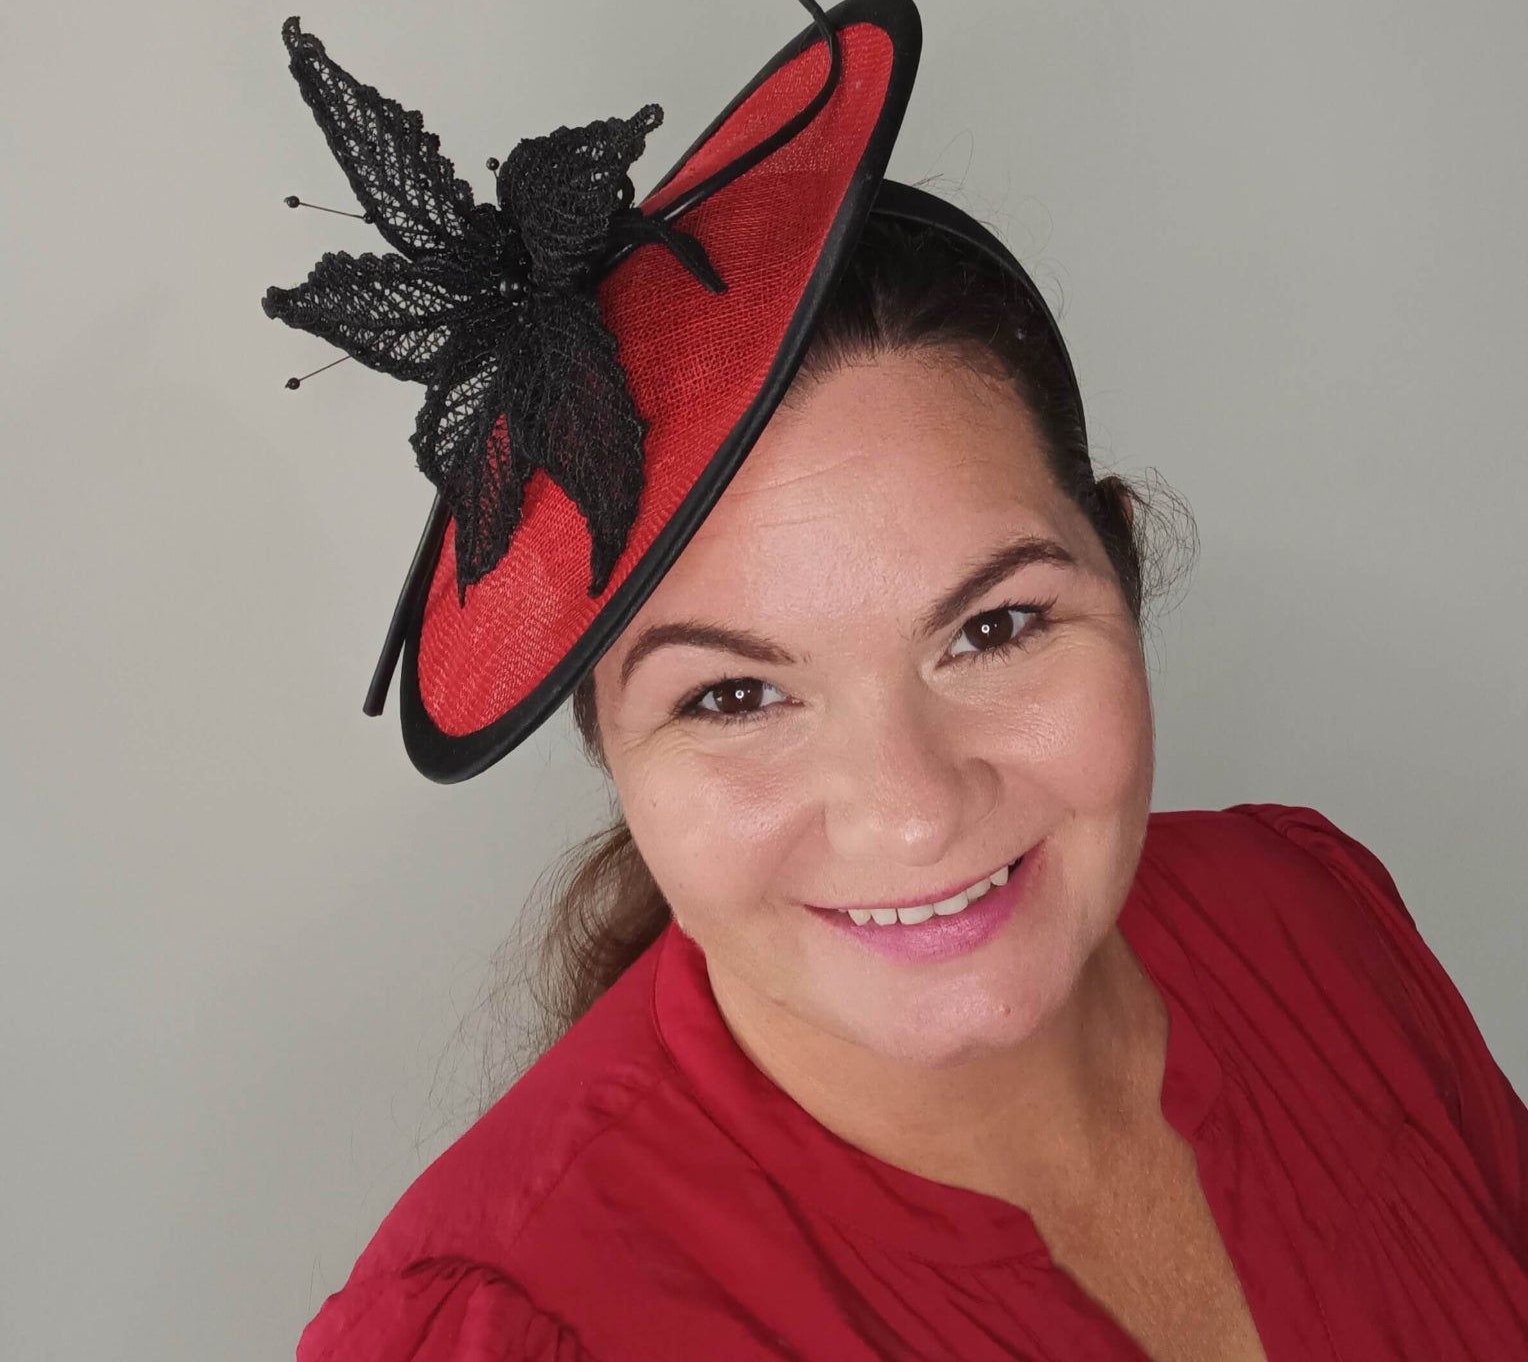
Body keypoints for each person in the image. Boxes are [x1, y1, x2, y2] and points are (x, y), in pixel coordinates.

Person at [293, 208, 1528, 1361]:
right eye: (732, 695)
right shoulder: (500, 1327)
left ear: (1124, 570)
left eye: (994, 627)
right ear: (608, 747)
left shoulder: (1308, 911)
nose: (912, 807)